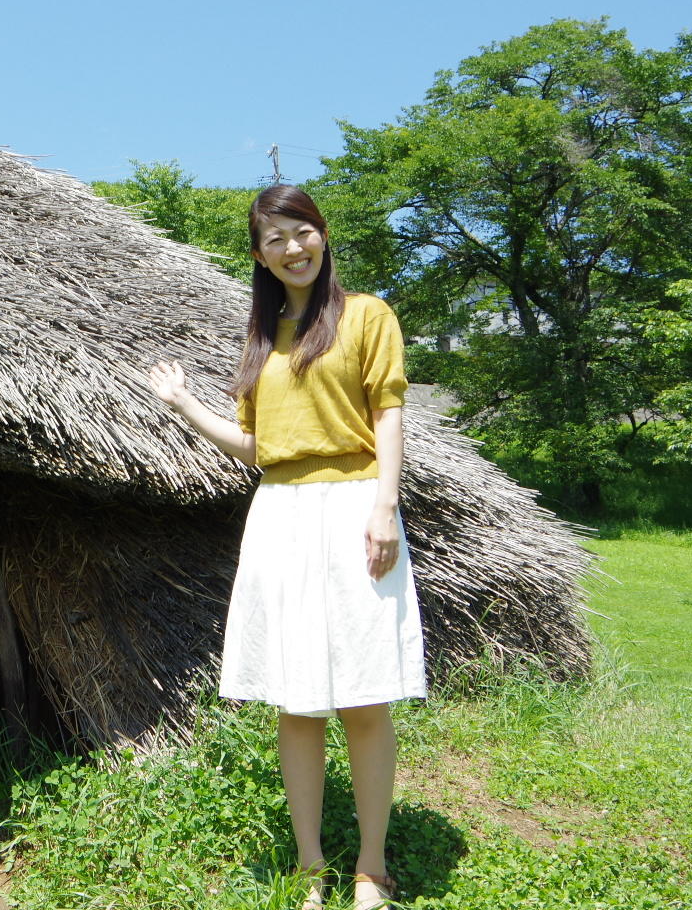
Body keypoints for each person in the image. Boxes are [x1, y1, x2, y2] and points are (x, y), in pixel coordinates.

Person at [147, 184, 422, 910]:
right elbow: (258, 448)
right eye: (275, 239)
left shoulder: (367, 315)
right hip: (279, 513)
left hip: (355, 503)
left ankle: (371, 868)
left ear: (322, 236)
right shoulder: (261, 341)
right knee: (296, 703)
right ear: (259, 256)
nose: (292, 248)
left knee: (364, 698)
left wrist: (385, 507)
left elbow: (388, 414)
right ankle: (310, 868)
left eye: (301, 232)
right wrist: (186, 406)